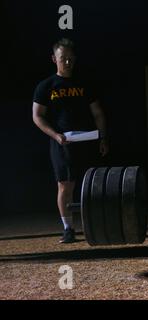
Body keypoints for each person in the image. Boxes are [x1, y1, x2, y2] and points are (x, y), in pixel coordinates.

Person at [32, 38, 109, 243]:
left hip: (88, 140)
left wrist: (102, 137)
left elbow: (98, 113)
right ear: (54, 59)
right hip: (62, 142)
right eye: (62, 59)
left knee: (90, 186)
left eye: (70, 58)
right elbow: (37, 116)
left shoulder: (84, 83)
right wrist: (56, 135)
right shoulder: (46, 86)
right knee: (65, 186)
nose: (67, 62)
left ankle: (93, 228)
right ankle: (68, 229)